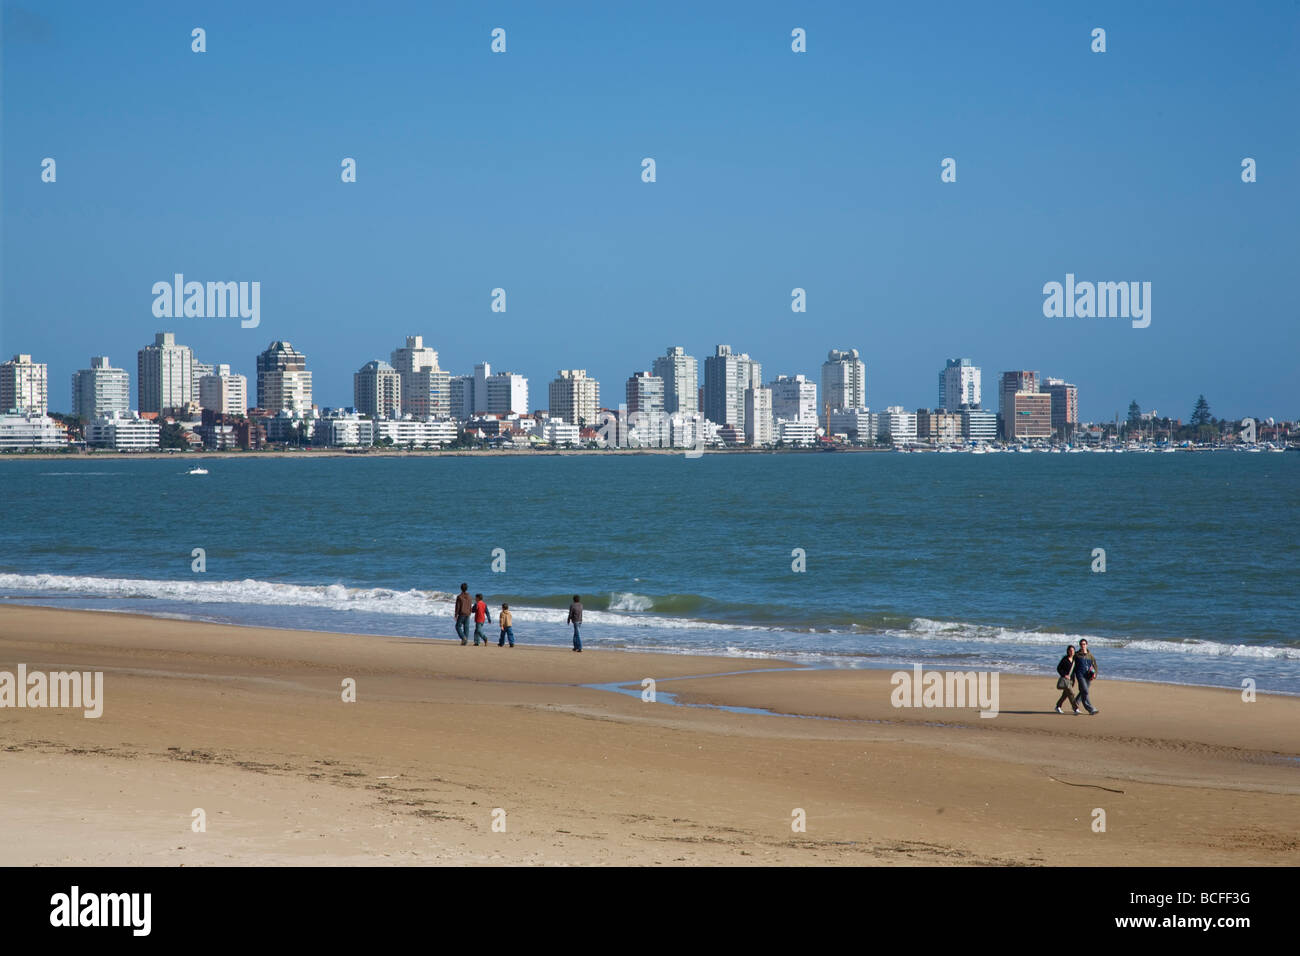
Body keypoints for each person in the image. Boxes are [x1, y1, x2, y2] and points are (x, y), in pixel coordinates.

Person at [1075, 639, 1099, 715]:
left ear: (1087, 645)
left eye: (1084, 644)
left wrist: (1095, 674)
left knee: (1083, 691)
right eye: (1081, 644)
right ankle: (1091, 709)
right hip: (1080, 675)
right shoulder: (1077, 655)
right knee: (1085, 691)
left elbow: (1095, 666)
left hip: (1088, 676)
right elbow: (1071, 664)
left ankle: (1075, 704)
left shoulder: (1090, 656)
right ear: (1080, 645)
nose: (1083, 645)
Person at [1055, 644, 1081, 714]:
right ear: (1068, 651)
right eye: (1070, 651)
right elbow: (1058, 668)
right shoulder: (1065, 659)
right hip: (1066, 680)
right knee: (1071, 694)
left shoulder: (1075, 659)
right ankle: (1076, 708)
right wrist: (1064, 675)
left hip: (1072, 680)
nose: (1071, 652)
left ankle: (1058, 706)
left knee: (1065, 695)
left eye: (1073, 650)